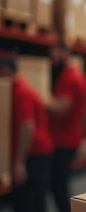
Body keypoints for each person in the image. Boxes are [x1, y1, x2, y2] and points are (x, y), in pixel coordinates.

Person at [0, 50, 54, 212]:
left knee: (28, 203)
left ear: (6, 70)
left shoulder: (20, 91)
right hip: (33, 154)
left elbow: (27, 126)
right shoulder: (18, 88)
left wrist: (19, 162)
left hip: (34, 156)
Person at [47, 42, 86, 212]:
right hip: (64, 137)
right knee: (59, 185)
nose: (53, 59)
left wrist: (40, 99)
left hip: (65, 139)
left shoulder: (71, 77)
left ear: (65, 53)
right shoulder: (71, 74)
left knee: (59, 187)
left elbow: (62, 109)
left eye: (55, 54)